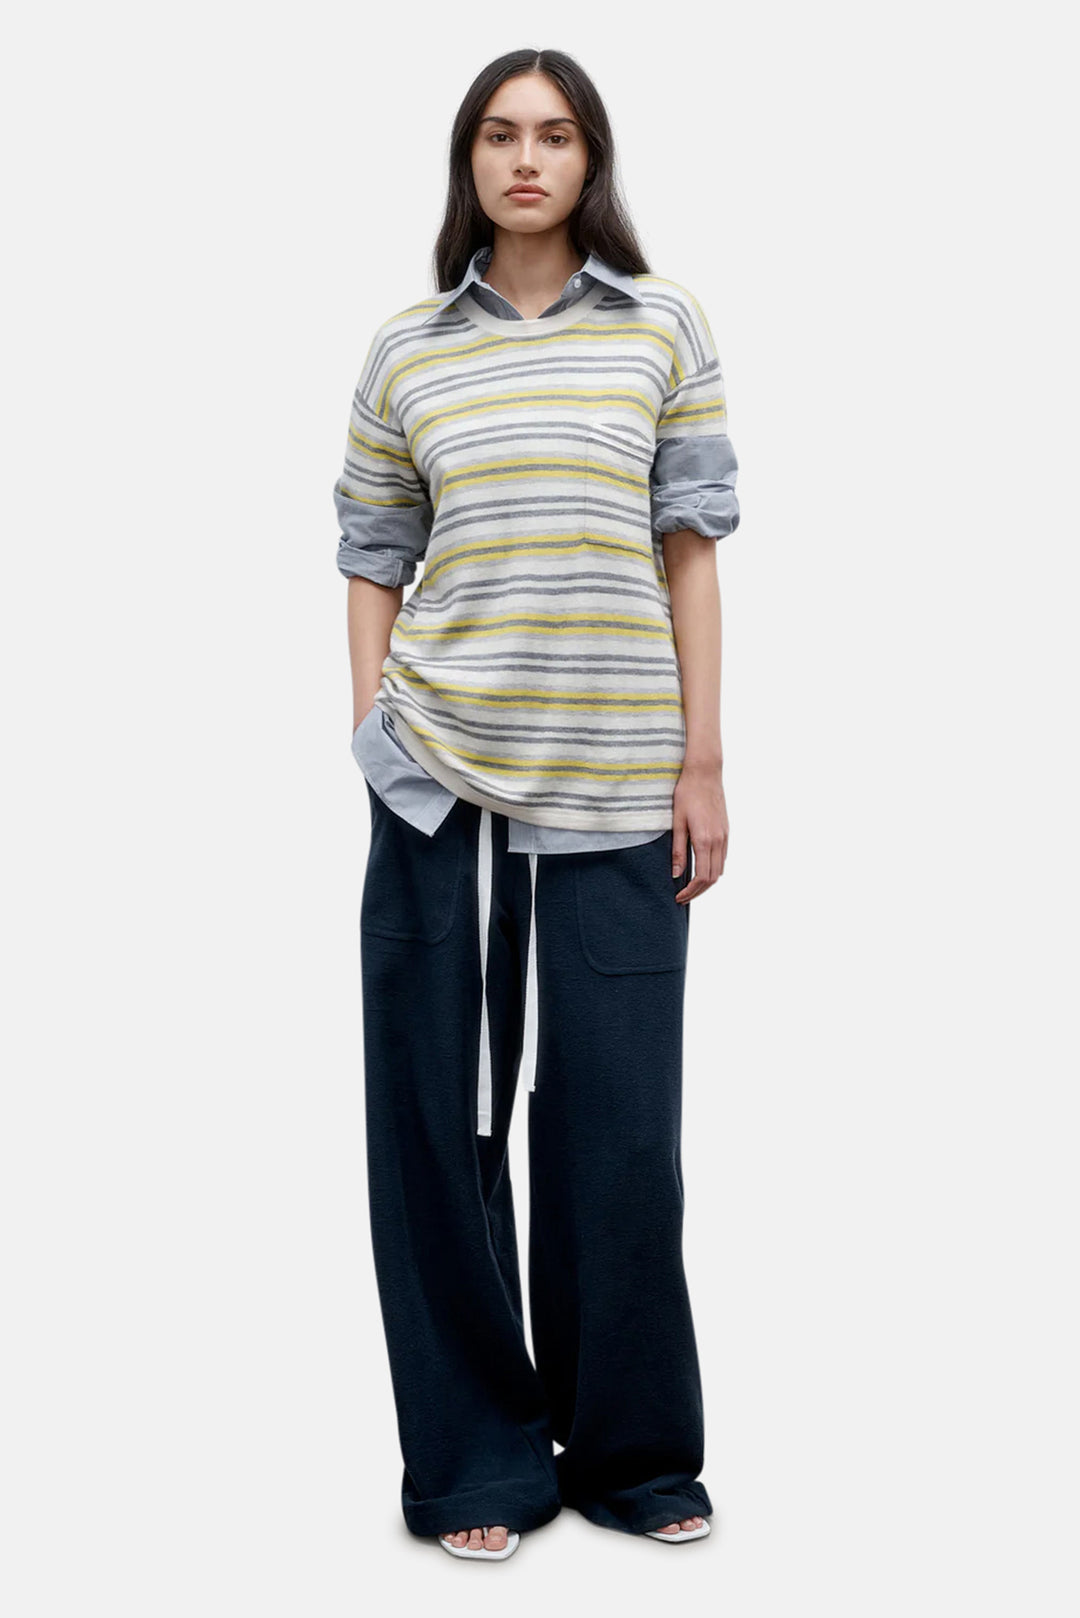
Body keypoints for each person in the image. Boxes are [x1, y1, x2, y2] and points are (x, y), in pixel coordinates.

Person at [332, 48, 740, 1560]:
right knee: (436, 1128)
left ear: (589, 159)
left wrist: (704, 761)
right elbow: (372, 552)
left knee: (618, 1133)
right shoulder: (406, 350)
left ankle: (634, 1452)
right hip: (440, 787)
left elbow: (691, 549)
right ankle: (475, 1464)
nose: (526, 159)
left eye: (555, 135)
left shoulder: (662, 327)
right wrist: (373, 729)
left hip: (620, 789)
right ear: (470, 160)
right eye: (501, 135)